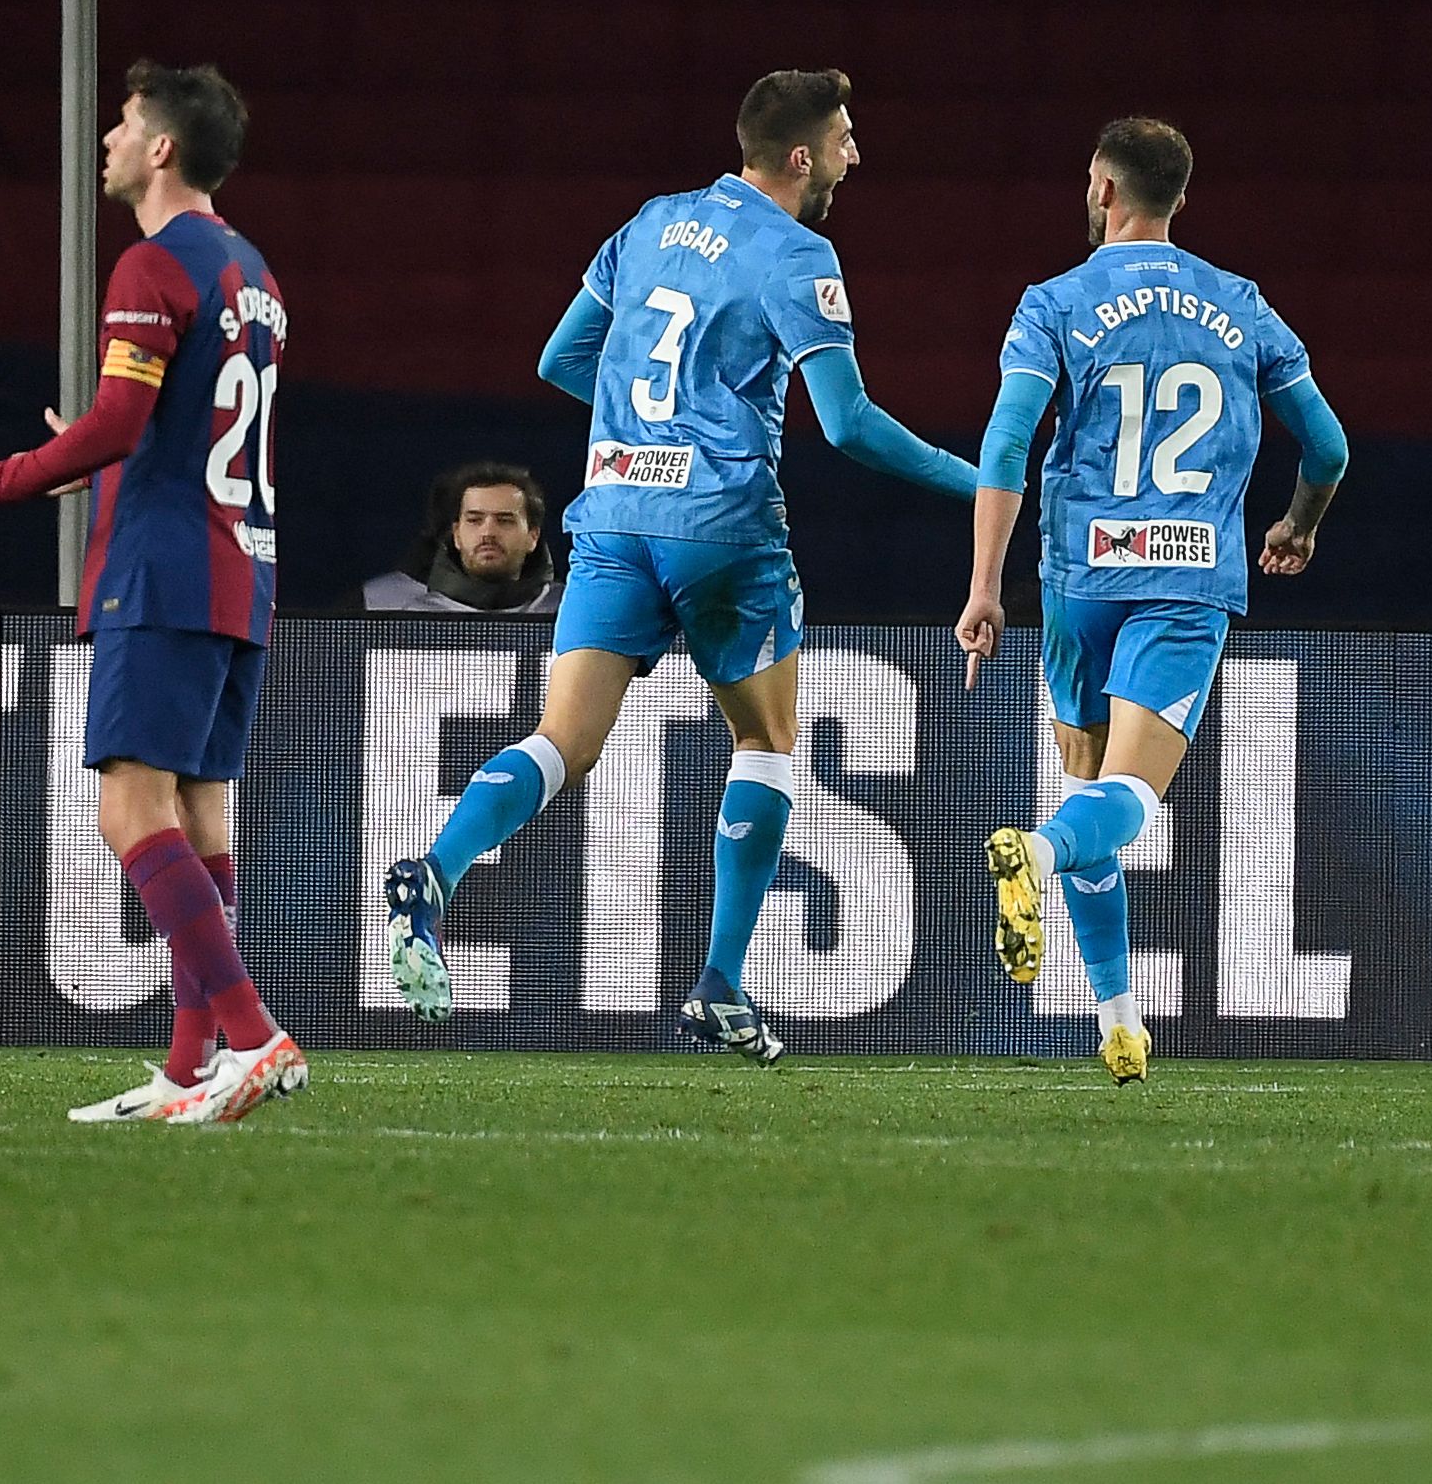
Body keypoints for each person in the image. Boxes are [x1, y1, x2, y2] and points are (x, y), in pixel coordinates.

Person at [384, 70, 980, 1063]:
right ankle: (719, 985)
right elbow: (849, 425)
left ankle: (438, 872)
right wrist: (982, 490)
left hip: (614, 514)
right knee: (767, 742)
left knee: (563, 741)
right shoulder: (800, 254)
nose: (854, 155)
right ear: (798, 157)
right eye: (843, 139)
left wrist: (644, 433)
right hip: (723, 530)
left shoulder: (651, 221)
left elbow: (561, 359)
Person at [0, 62, 305, 1128]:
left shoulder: (153, 264)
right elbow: (163, 428)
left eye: (122, 124)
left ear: (162, 147)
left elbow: (117, 428)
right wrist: (96, 441)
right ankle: (192, 1064)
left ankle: (254, 1037)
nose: (107, 139)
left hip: (161, 569)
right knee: (196, 808)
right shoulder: (254, 272)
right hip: (240, 564)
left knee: (127, 809)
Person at [960, 119, 1351, 1087]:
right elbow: (1329, 448)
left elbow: (1007, 446)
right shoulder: (1242, 305)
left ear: (1101, 189)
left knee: (1091, 786)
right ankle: (1038, 859)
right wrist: (1298, 524)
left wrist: (981, 587)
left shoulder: (1052, 302)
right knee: (1125, 804)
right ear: (1179, 197)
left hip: (1073, 581)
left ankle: (1119, 1021)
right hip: (1183, 577)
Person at [365, 463, 563, 615]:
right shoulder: (408, 616)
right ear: (456, 534)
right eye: (475, 520)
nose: (488, 532)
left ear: (533, 537)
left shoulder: (570, 611)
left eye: (504, 521)